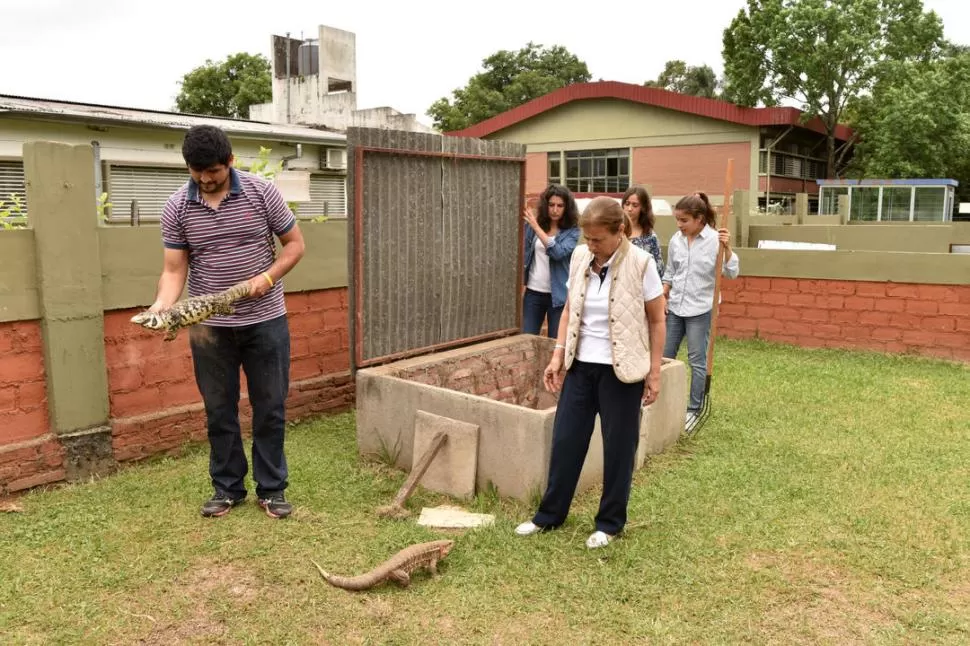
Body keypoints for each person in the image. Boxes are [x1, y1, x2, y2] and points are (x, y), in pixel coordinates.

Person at [152, 125, 306, 519]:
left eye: (214, 171)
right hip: (209, 328)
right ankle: (227, 488)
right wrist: (162, 306)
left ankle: (272, 490)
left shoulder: (261, 192)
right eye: (197, 171)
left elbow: (295, 245)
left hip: (266, 320)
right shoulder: (176, 207)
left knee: (269, 406)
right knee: (219, 409)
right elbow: (174, 270)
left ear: (230, 162)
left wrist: (267, 278)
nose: (205, 179)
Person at [515, 196, 666, 549]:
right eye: (588, 239)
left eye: (598, 239)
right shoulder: (581, 257)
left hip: (621, 372)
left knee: (618, 449)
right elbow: (569, 309)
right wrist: (557, 356)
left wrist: (654, 371)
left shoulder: (642, 264)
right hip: (581, 367)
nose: (591, 246)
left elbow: (658, 320)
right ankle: (549, 516)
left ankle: (610, 523)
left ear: (619, 232)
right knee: (566, 441)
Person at [662, 192, 739, 428]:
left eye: (684, 220)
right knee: (665, 356)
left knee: (697, 360)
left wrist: (727, 249)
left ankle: (693, 410)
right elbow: (670, 272)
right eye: (678, 220)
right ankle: (661, 403)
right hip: (675, 307)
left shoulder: (716, 239)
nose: (679, 225)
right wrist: (664, 295)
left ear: (699, 219)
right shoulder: (676, 239)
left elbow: (732, 272)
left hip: (701, 309)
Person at [522, 184, 581, 338]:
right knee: (526, 339)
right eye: (551, 205)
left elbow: (557, 253)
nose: (555, 209)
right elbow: (523, 251)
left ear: (566, 208)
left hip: (559, 296)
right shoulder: (533, 226)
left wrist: (535, 226)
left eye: (560, 206)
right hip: (533, 293)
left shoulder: (572, 231)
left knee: (555, 343)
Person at [622, 185, 664, 278]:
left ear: (643, 208)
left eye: (635, 205)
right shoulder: (614, 232)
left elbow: (658, 269)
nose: (629, 208)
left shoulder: (650, 237)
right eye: (627, 203)